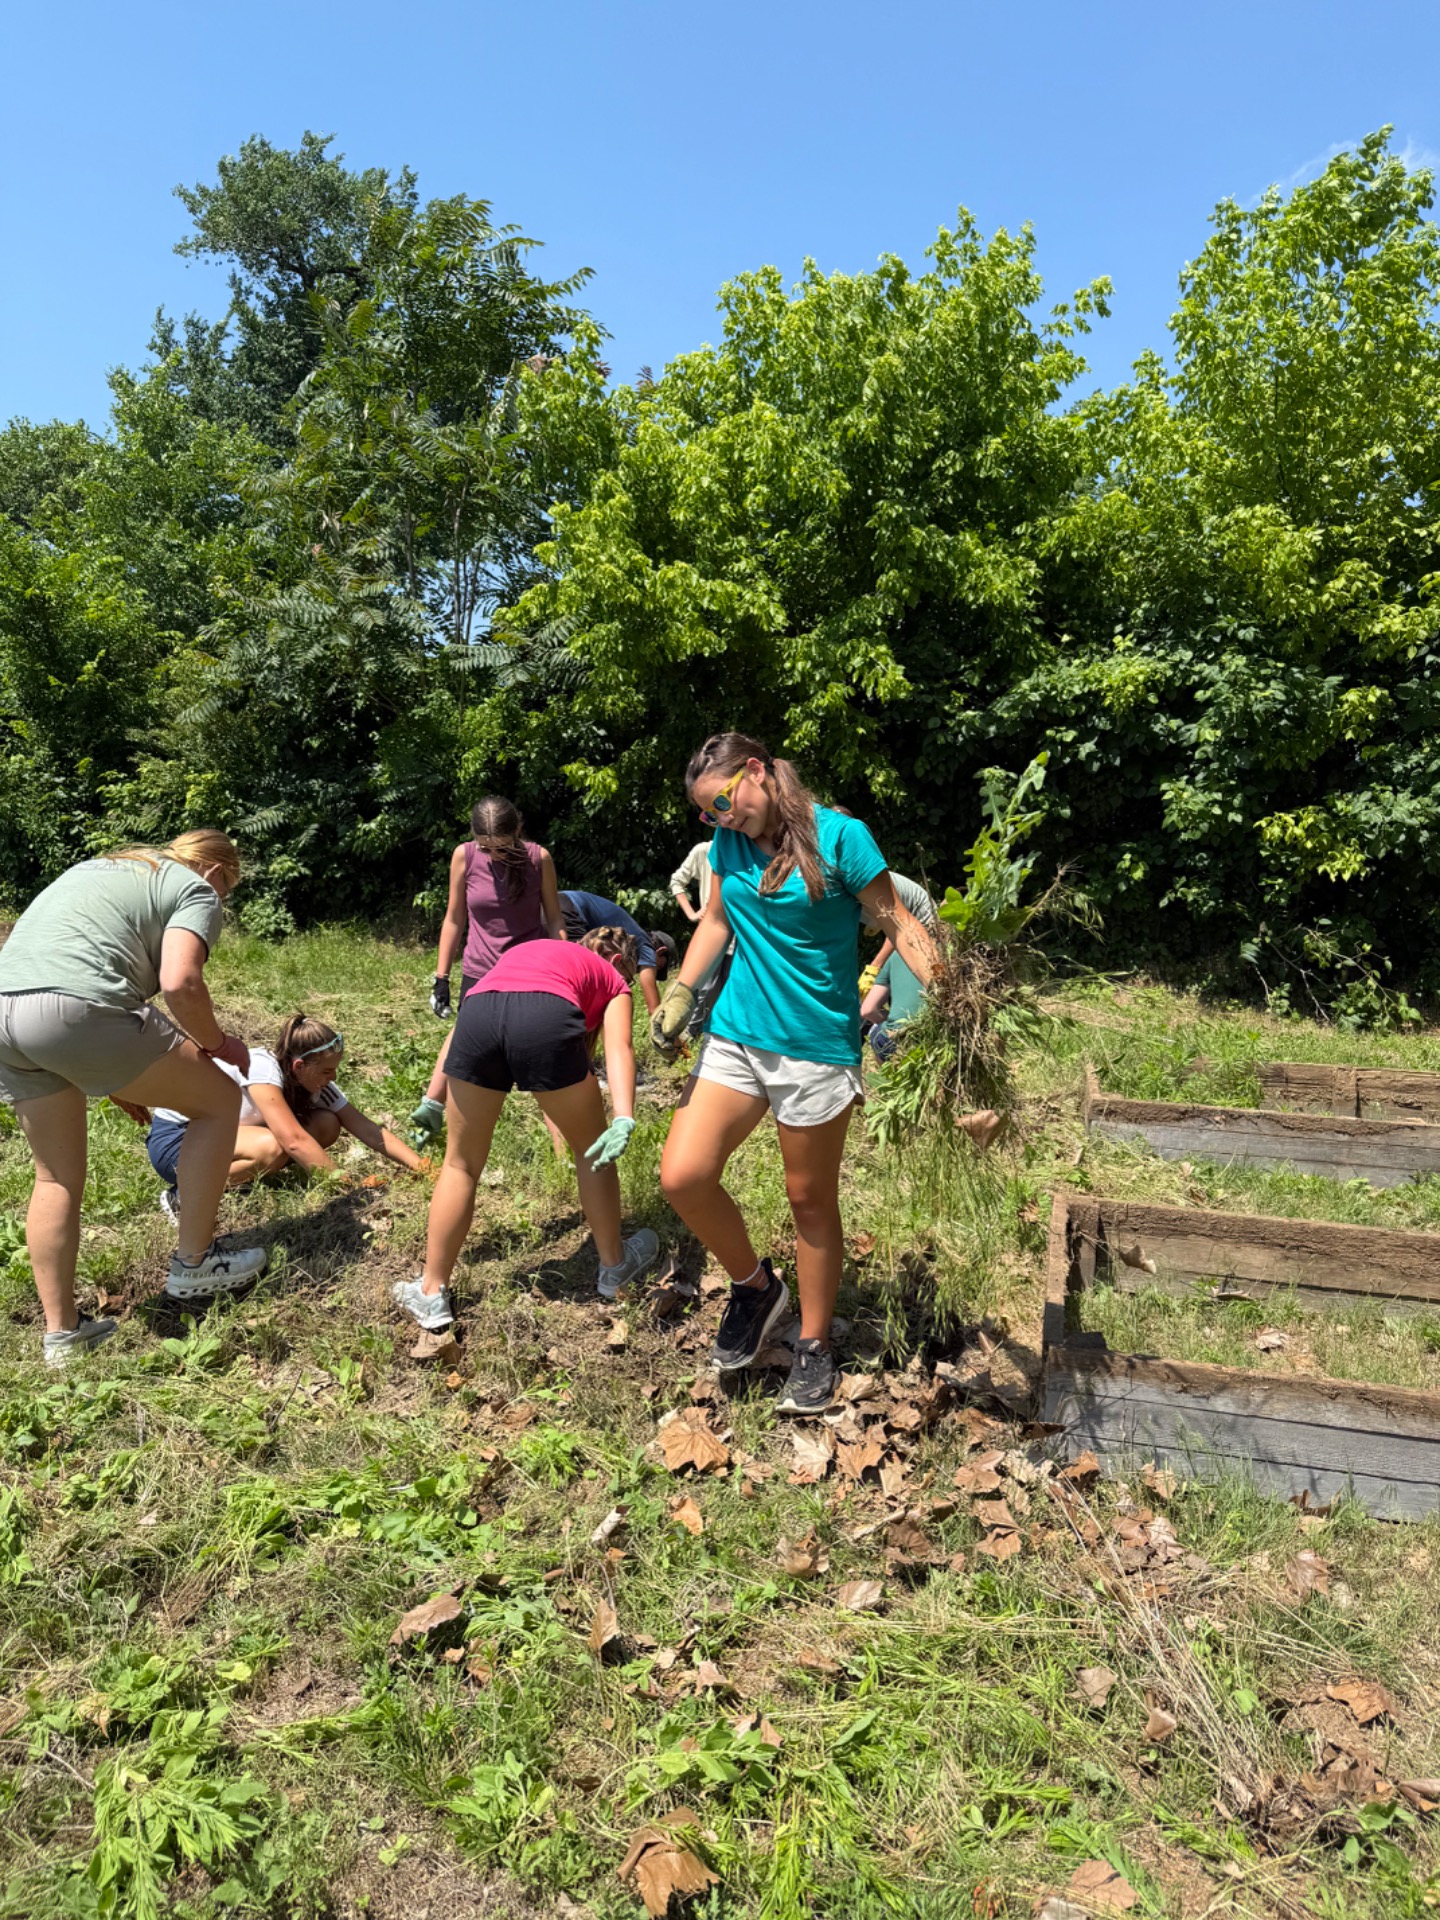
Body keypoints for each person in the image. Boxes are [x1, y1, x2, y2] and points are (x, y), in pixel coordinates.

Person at [652, 734, 937, 1415]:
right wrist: (683, 992)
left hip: (814, 1048)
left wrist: (956, 1006)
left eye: (725, 802)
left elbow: (898, 923)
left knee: (808, 1200)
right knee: (682, 1175)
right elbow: (716, 920)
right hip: (737, 1035)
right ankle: (754, 1288)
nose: (723, 820)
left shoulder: (841, 838)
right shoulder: (729, 845)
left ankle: (813, 1343)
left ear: (756, 771)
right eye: (709, 815)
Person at [0, 831, 268, 1366]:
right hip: (78, 1010)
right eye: (229, 890)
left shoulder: (106, 868)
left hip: (5, 1014)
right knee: (216, 1102)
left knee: (54, 1177)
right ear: (217, 871)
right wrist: (219, 1044)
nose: (223, 902)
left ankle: (63, 1335)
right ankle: (194, 1264)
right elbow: (180, 981)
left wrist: (119, 1072)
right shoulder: (195, 888)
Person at [394, 928, 661, 1329]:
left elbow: (461, 1024)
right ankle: (614, 1266)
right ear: (620, 962)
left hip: (478, 1015)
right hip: (545, 1018)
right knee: (591, 1152)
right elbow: (620, 1047)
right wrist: (623, 1114)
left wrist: (433, 1099)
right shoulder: (613, 980)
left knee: (461, 1164)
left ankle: (431, 1292)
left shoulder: (531, 951)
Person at [146, 1014, 425, 1207]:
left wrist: (424, 1168)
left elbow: (367, 1129)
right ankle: (185, 1196)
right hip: (179, 1141)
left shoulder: (315, 1082)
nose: (334, 1078)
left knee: (326, 1123)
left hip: (221, 1137)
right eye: (328, 1070)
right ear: (299, 1066)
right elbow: (292, 1139)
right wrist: (350, 1189)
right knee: (273, 1147)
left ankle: (242, 1178)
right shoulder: (262, 1067)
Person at [411, 797, 565, 1146]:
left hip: (529, 970)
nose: (494, 855)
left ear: (518, 832)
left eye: (503, 847)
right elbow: (454, 919)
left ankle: (563, 1149)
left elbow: (554, 917)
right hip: (480, 970)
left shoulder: (538, 859)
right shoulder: (464, 856)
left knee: (542, 1056)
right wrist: (441, 977)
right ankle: (434, 1113)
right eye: (487, 847)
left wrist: (562, 960)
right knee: (467, 1047)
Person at [560, 891, 662, 1017]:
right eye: (661, 967)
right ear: (661, 951)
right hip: (568, 909)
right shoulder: (646, 945)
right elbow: (654, 1008)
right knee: (582, 987)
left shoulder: (623, 935)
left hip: (550, 904)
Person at [669, 836, 733, 1035]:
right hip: (713, 934)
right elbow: (677, 881)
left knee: (732, 989)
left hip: (741, 937)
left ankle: (719, 1032)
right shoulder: (704, 850)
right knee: (706, 988)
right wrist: (692, 913)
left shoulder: (750, 851)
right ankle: (690, 1032)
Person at [861, 951, 926, 1059]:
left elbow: (868, 1010)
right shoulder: (954, 956)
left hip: (894, 1039)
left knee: (876, 1032)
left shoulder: (897, 954)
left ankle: (891, 1072)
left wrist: (895, 1019)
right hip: (935, 1036)